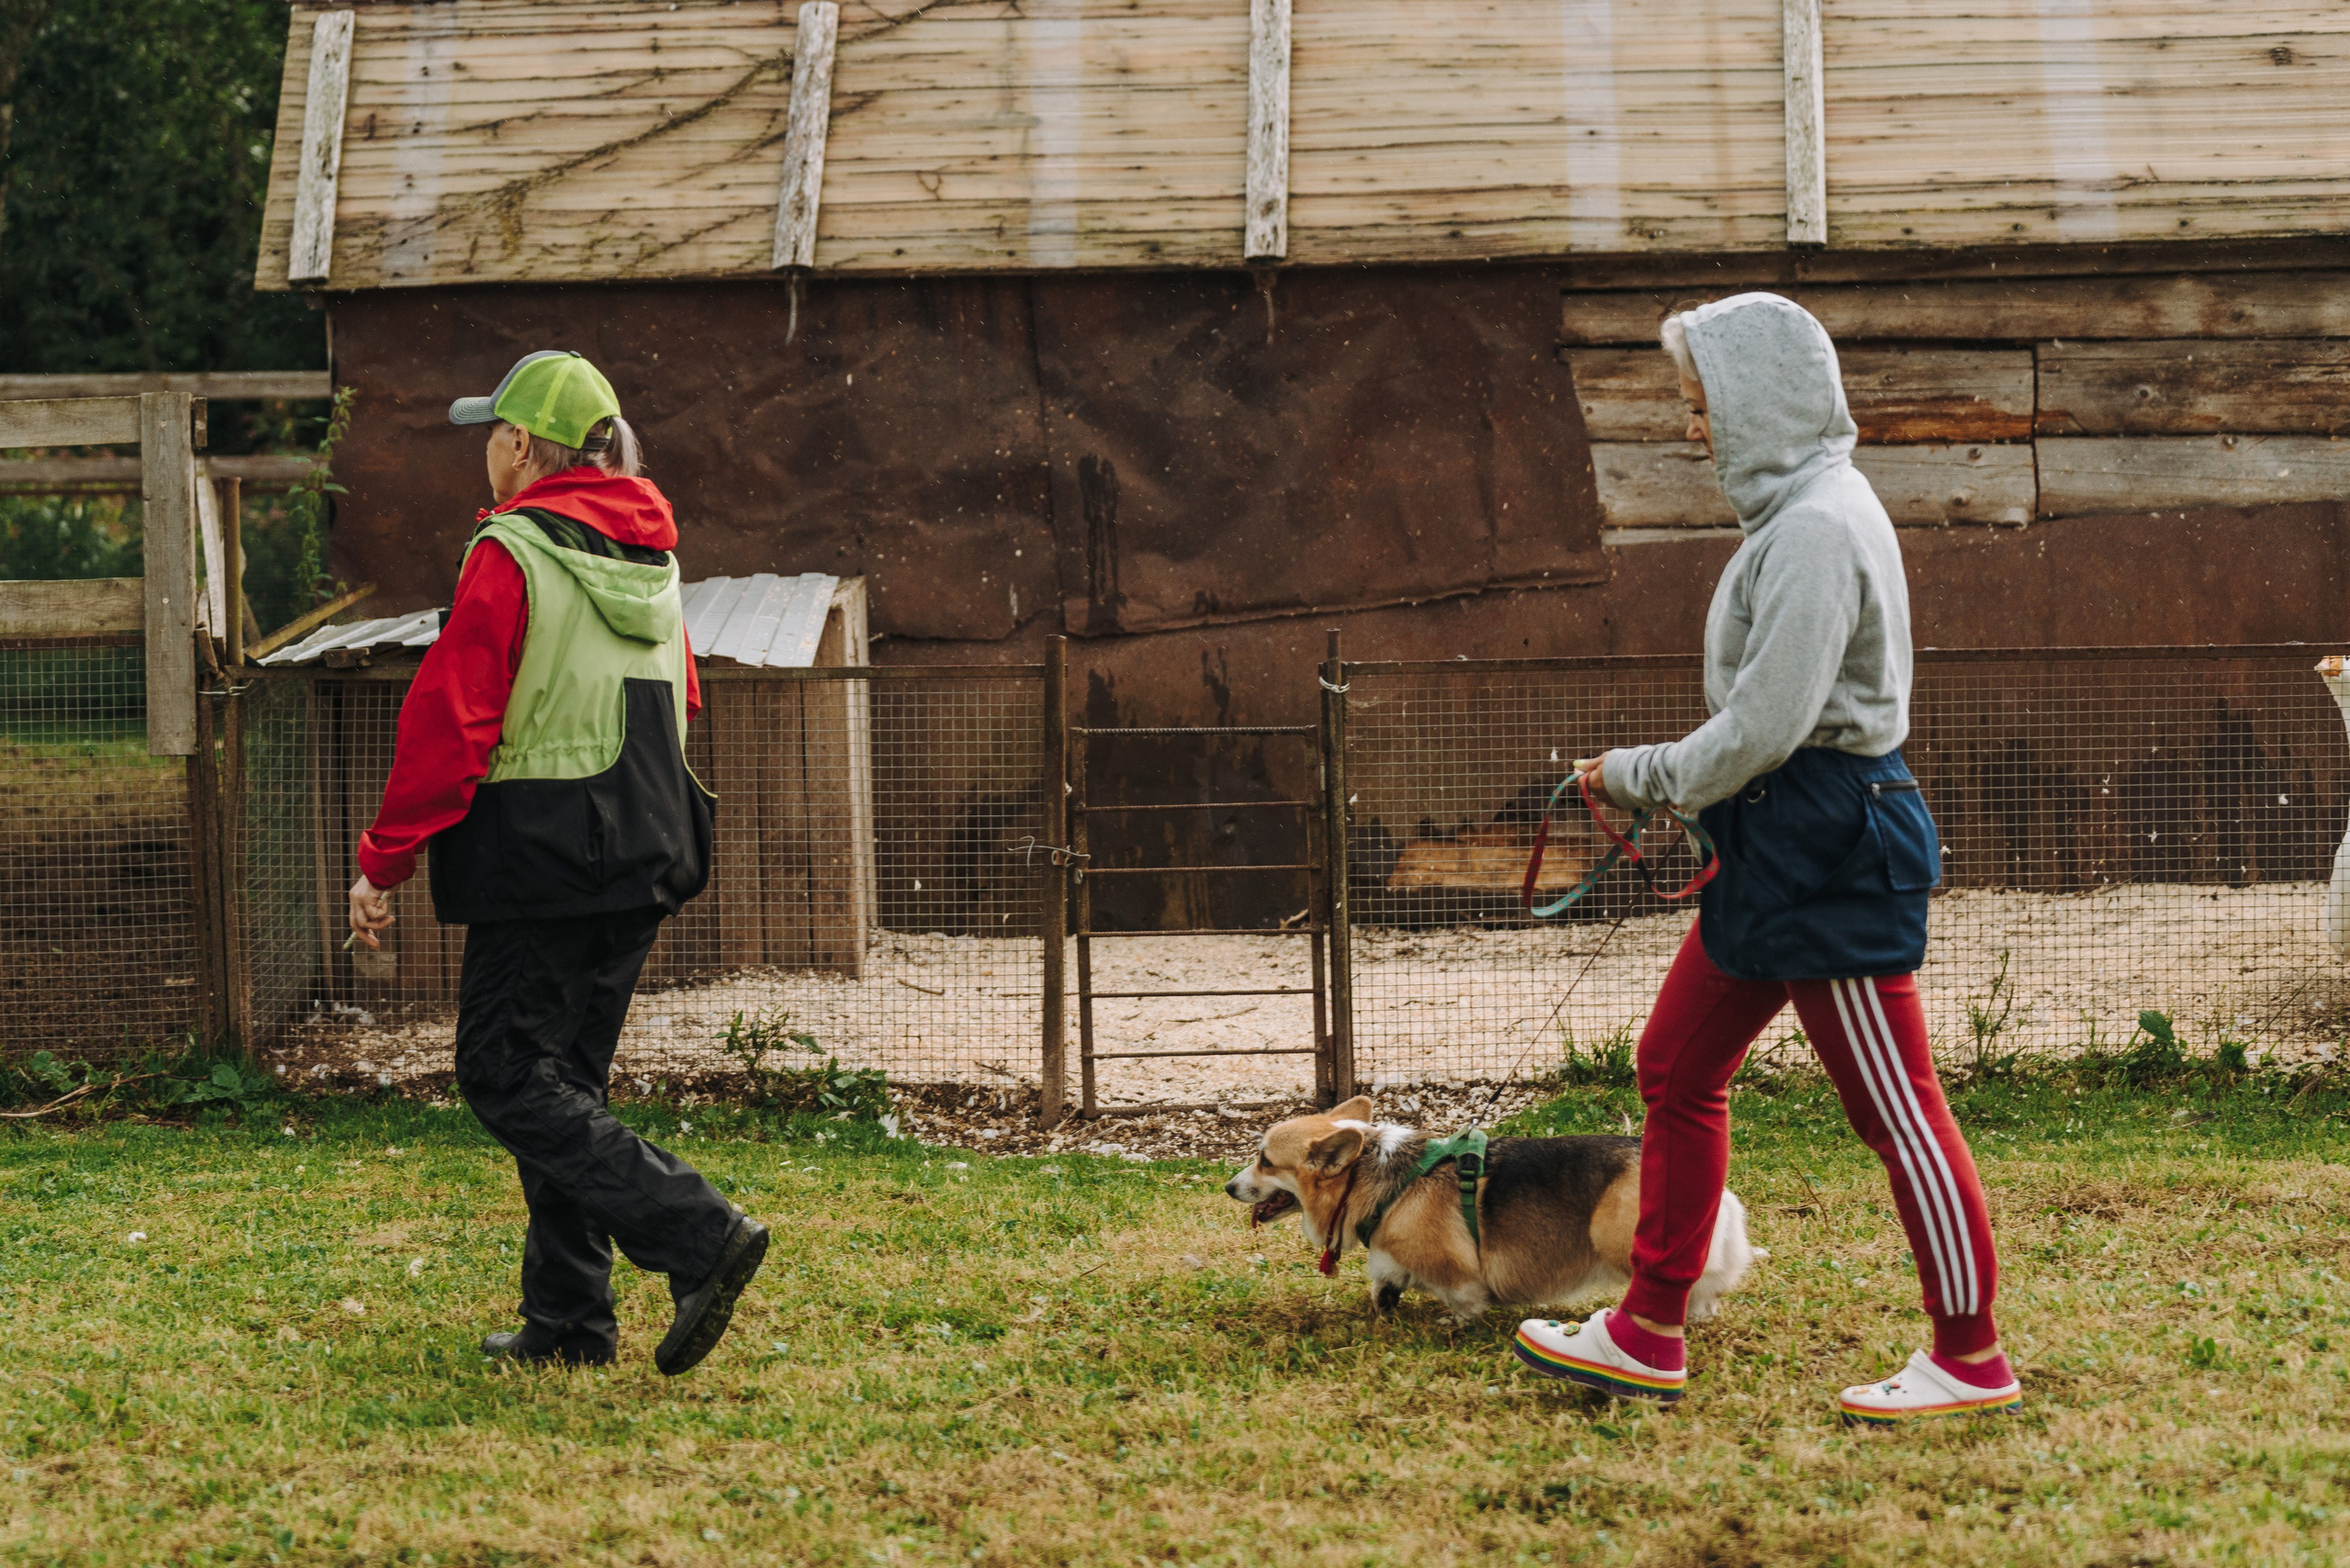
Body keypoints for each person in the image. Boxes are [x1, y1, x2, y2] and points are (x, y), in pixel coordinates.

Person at [1508, 296, 2018, 1425]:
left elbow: (1763, 726)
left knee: (1898, 1113)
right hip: (1778, 837)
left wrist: (1636, 772)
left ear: (1763, 400)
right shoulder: (1796, 516)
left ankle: (1970, 1355)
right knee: (1675, 1066)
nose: (1691, 428)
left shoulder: (1817, 530)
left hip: (1828, 842)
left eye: (1703, 405)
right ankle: (1649, 1327)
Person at [345, 351, 766, 1374]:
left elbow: (452, 719)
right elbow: (682, 698)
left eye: (493, 432)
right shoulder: (651, 558)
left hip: (542, 857)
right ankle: (571, 1321)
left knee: (502, 1072)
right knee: (563, 1083)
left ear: (522, 443)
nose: (486, 452)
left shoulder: (514, 551)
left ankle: (698, 1232)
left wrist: (382, 861)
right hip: (646, 847)